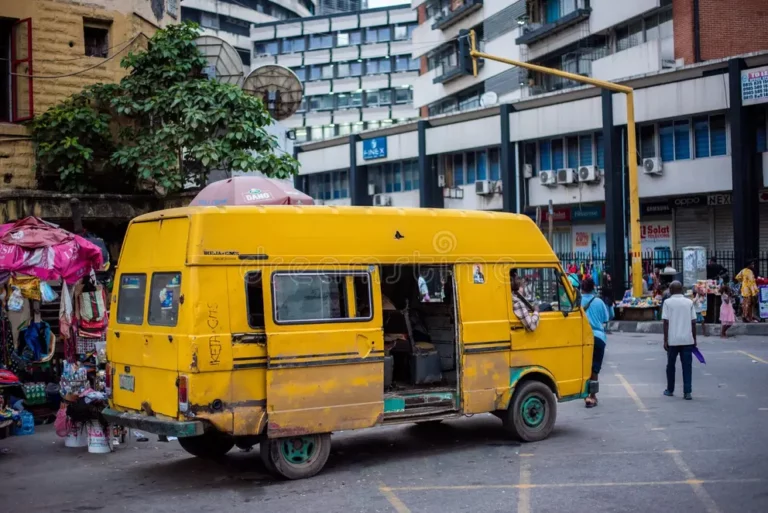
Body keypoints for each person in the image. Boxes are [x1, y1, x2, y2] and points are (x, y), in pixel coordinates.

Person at [662, 281, 697, 400]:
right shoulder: (689, 302)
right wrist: (694, 339)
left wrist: (665, 340)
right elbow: (693, 322)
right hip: (687, 339)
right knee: (687, 366)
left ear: (671, 290)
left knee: (670, 365)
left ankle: (670, 389)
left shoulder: (667, 303)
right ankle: (687, 392)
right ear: (681, 289)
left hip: (673, 340)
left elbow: (666, 322)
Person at [581, 277, 610, 408]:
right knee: (595, 368)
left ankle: (586, 395)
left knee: (585, 367)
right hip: (598, 337)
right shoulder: (599, 302)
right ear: (593, 288)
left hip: (582, 338)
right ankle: (592, 396)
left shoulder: (577, 302)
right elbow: (606, 318)